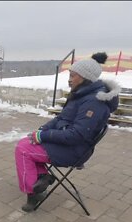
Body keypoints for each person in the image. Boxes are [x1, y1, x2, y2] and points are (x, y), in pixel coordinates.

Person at [15, 52, 120, 212]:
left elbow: (77, 135)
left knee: (23, 150)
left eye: (73, 76)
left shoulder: (93, 103)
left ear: (85, 77)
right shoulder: (81, 95)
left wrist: (43, 136)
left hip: (74, 150)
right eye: (69, 75)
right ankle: (43, 178)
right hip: (66, 143)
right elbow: (60, 119)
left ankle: (33, 193)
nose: (69, 79)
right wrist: (42, 130)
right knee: (27, 142)